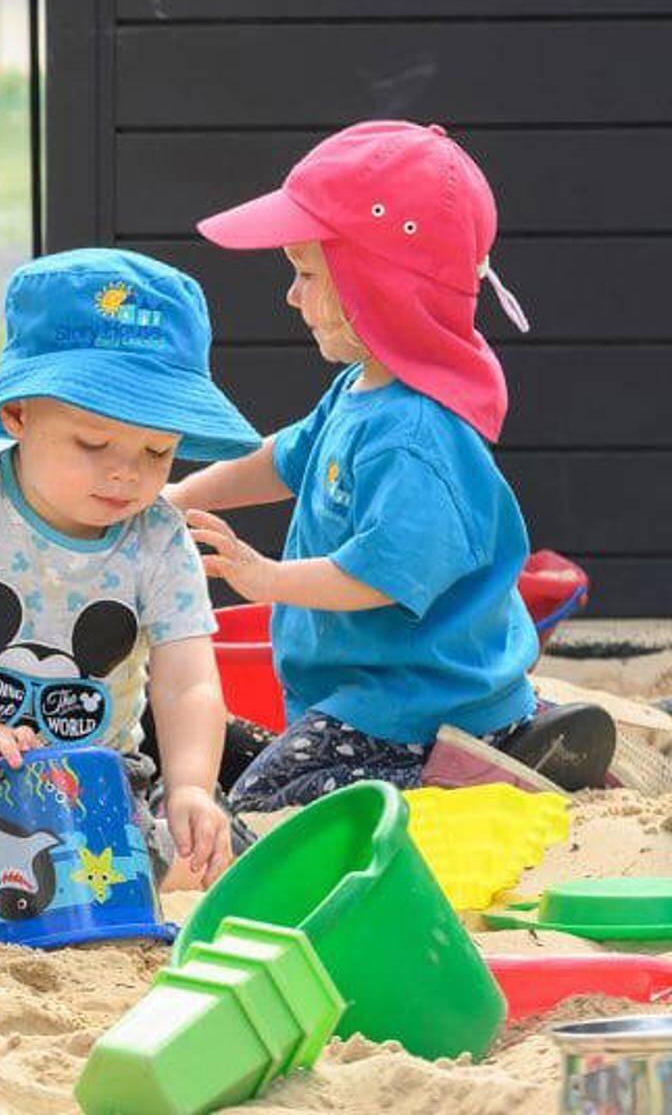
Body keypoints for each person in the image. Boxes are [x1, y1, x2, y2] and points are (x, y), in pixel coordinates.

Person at [170, 121, 615, 811]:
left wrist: (265, 578)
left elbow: (378, 574)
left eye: (307, 272)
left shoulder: (414, 433)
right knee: (258, 768)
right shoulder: (363, 388)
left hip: (414, 702)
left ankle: (478, 769)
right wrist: (181, 494)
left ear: (377, 285)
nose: (290, 295)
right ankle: (512, 737)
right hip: (371, 688)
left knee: (262, 807)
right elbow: (286, 456)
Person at [0, 249, 263, 888]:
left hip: (93, 774)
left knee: (158, 858)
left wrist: (190, 786)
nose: (126, 471)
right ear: (18, 415)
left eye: (158, 451)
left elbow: (186, 683)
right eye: (93, 443)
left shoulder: (158, 537)